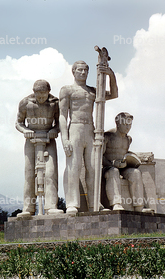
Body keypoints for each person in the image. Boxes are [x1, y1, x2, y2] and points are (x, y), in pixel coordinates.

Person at [59, 60, 118, 215]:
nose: (83, 73)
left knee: (93, 168)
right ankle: (72, 203)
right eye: (80, 70)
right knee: (74, 167)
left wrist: (110, 74)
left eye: (86, 70)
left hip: (90, 129)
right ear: (73, 72)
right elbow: (62, 116)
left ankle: (94, 203)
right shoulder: (67, 90)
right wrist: (64, 139)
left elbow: (113, 94)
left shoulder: (93, 91)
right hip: (75, 128)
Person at [15, 80, 63, 217]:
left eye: (44, 94)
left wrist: (55, 130)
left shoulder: (55, 103)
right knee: (29, 173)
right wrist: (25, 131)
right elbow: (18, 123)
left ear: (49, 92)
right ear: (34, 92)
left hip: (49, 139)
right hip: (31, 139)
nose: (41, 98)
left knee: (51, 172)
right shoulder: (25, 103)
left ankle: (51, 206)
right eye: (38, 95)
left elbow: (61, 122)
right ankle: (28, 208)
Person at [103, 112, 153, 213]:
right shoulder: (107, 136)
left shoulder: (128, 139)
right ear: (117, 123)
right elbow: (99, 157)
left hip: (123, 167)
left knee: (135, 173)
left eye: (129, 125)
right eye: (125, 124)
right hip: (108, 167)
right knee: (114, 172)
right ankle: (116, 203)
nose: (127, 127)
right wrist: (112, 164)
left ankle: (139, 206)